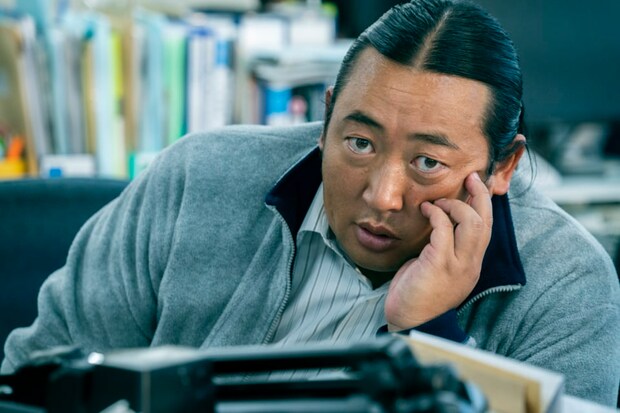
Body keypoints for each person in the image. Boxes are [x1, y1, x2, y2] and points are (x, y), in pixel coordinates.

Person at [2, 0, 619, 406]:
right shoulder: (195, 178)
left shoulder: (568, 285)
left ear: (503, 166)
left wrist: (431, 333)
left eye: (427, 163)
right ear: (325, 119)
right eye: (359, 143)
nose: (382, 195)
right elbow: (36, 383)